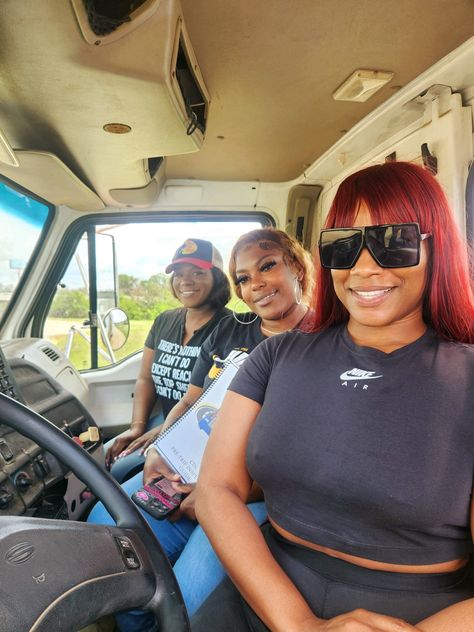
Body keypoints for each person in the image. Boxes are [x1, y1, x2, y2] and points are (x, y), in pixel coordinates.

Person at [191, 162, 474, 632]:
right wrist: (298, 622)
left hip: (420, 614)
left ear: (435, 248)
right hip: (267, 590)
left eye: (393, 242)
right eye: (344, 245)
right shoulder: (277, 355)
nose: (364, 267)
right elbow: (217, 488)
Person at [88, 228, 314, 630]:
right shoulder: (229, 333)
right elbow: (192, 403)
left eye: (267, 266)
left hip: (255, 492)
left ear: (296, 266)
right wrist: (161, 447)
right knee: (107, 541)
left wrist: (220, 489)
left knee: (190, 604)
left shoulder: (324, 341)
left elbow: (309, 459)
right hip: (188, 470)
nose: (256, 283)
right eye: (244, 278)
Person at [103, 237, 231, 483]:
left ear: (217, 278)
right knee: (105, 458)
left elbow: (217, 404)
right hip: (163, 418)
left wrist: (165, 431)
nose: (186, 281)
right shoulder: (164, 320)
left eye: (197, 272)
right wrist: (138, 426)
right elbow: (145, 378)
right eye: (178, 274)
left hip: (199, 430)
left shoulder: (230, 328)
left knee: (121, 469)